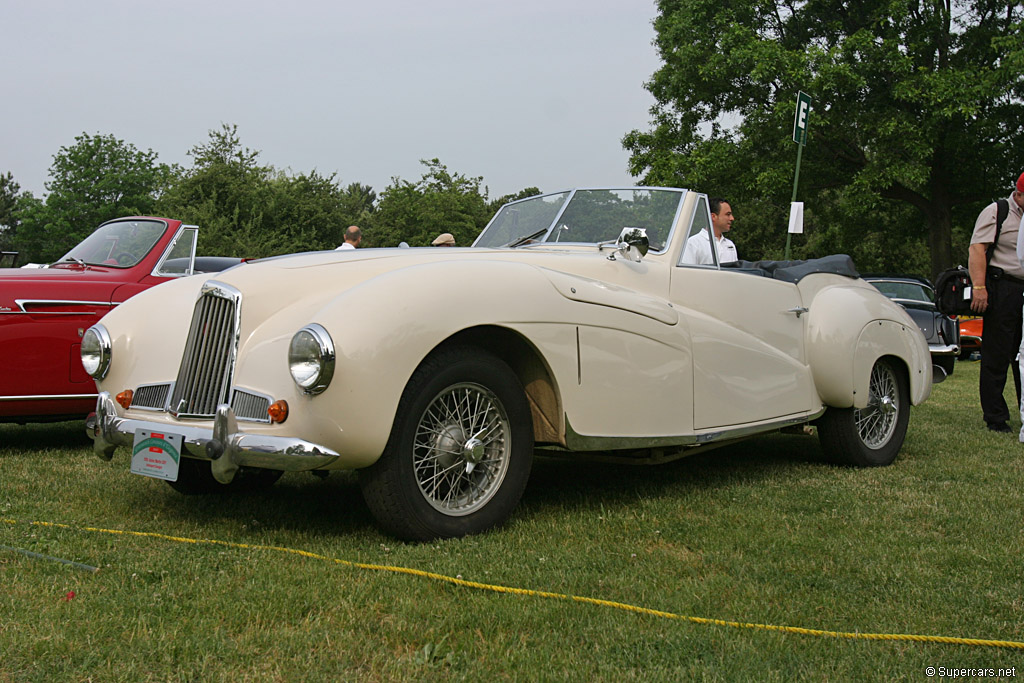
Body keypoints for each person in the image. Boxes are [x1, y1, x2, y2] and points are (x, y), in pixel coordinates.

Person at [969, 172, 1024, 433]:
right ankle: (996, 416)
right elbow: (977, 248)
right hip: (1003, 286)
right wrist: (979, 287)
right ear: (1019, 194)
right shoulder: (997, 211)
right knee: (998, 353)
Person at [681, 198, 737, 265]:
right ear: (713, 217)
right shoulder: (693, 243)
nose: (732, 218)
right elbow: (687, 273)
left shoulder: (730, 244)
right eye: (728, 214)